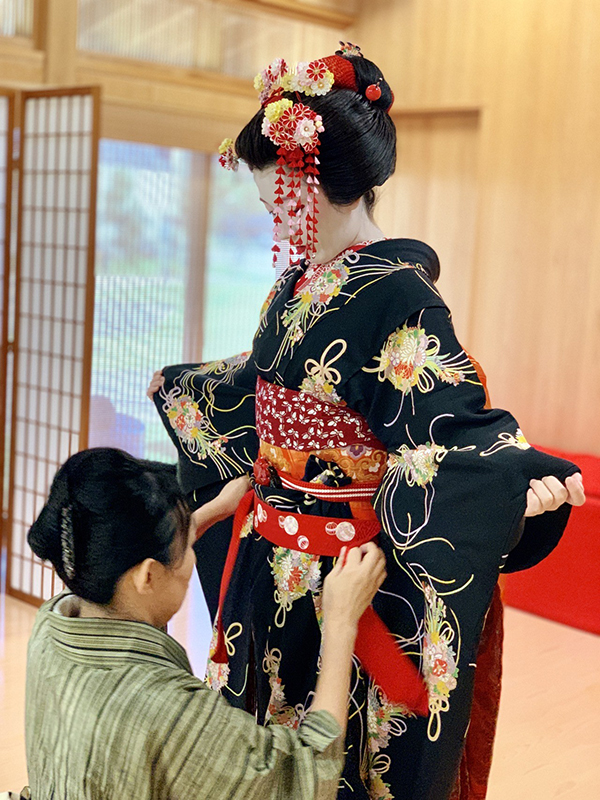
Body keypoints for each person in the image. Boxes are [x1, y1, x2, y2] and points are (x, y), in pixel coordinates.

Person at [148, 44, 585, 800]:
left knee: (337, 761)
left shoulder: (400, 295)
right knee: (262, 750)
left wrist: (519, 478)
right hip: (273, 559)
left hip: (345, 577)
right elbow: (262, 386)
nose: (273, 222)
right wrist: (185, 387)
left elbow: (442, 439)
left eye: (277, 202)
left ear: (321, 186)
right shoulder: (297, 283)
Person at [24, 447, 386, 799]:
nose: (193, 556)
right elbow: (301, 780)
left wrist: (211, 512)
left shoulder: (54, 624)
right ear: (147, 575)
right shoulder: (166, 713)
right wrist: (340, 624)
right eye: (184, 549)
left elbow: (134, 573)